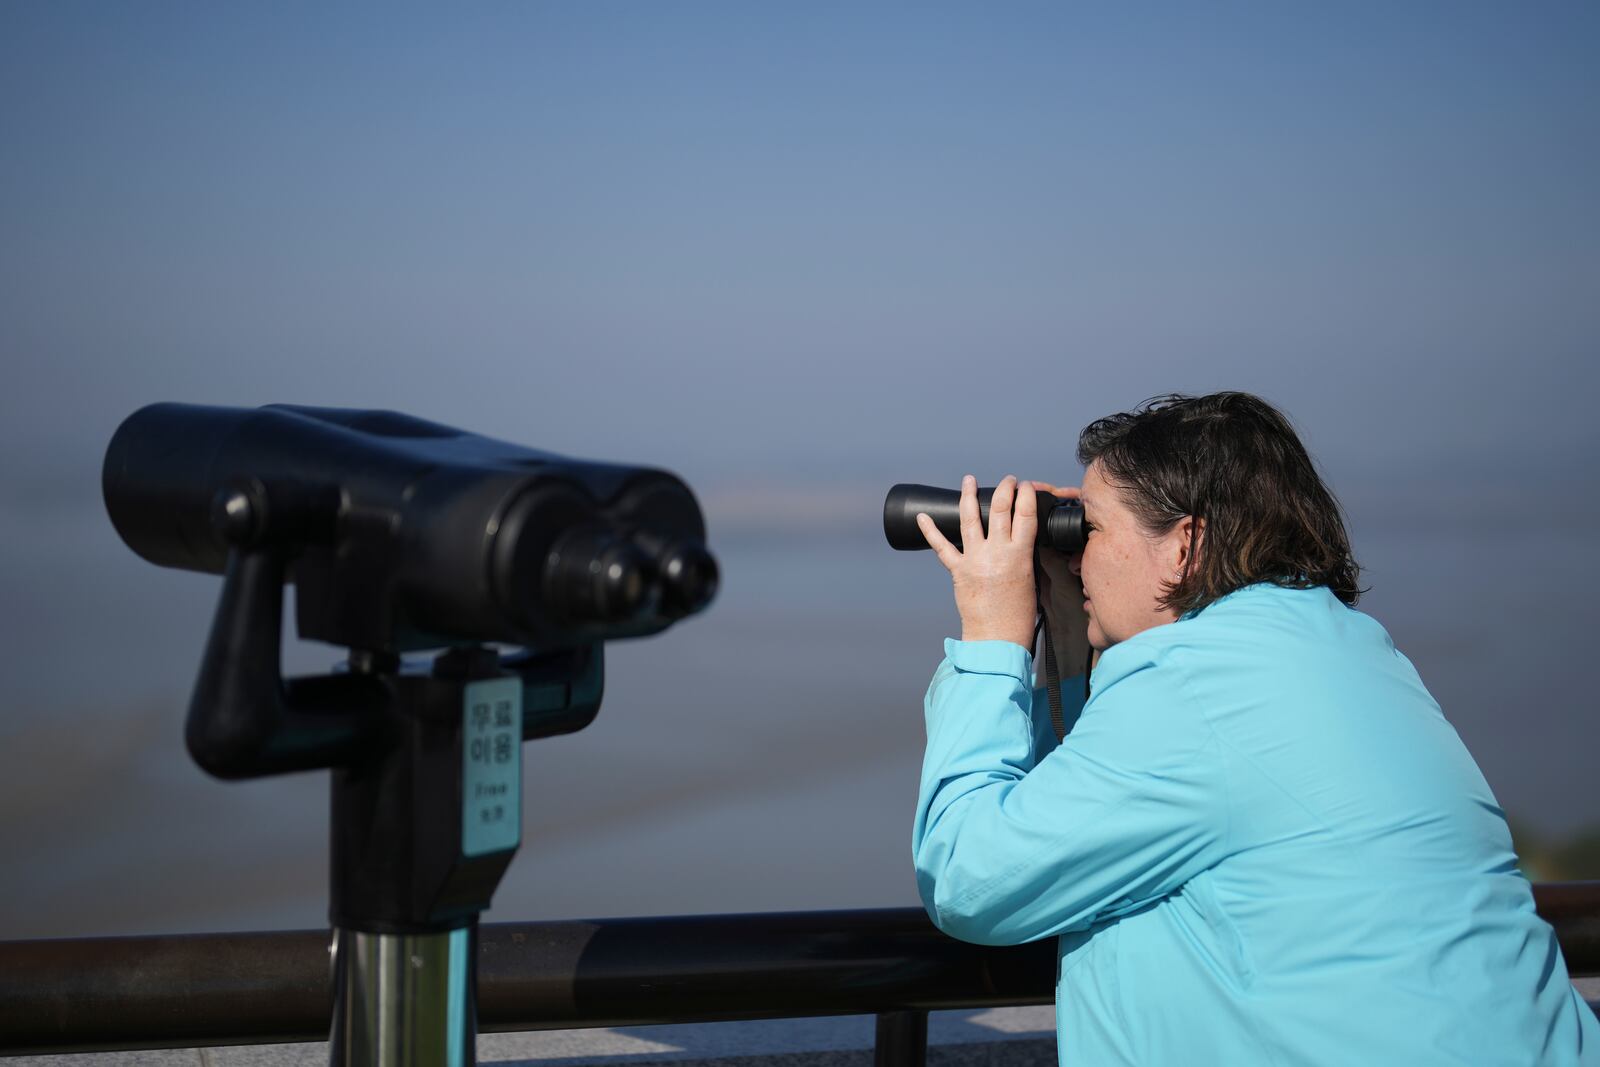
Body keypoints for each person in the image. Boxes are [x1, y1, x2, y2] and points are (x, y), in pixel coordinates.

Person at [911, 392, 1598, 1065]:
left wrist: (992, 634)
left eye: (1089, 527)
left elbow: (970, 878)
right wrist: (1065, 631)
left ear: (1184, 544)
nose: (1077, 554)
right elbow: (1097, 816)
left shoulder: (1195, 688)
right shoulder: (1347, 650)